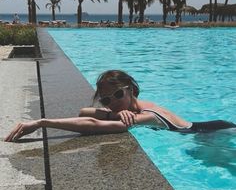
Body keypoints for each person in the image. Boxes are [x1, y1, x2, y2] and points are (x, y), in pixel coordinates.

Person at [4, 70, 235, 142]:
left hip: (211, 131)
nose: (113, 102)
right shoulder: (128, 109)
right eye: (106, 100)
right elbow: (84, 112)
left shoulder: (147, 115)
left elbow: (92, 123)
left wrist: (43, 122)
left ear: (131, 90)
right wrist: (114, 112)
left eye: (117, 95)